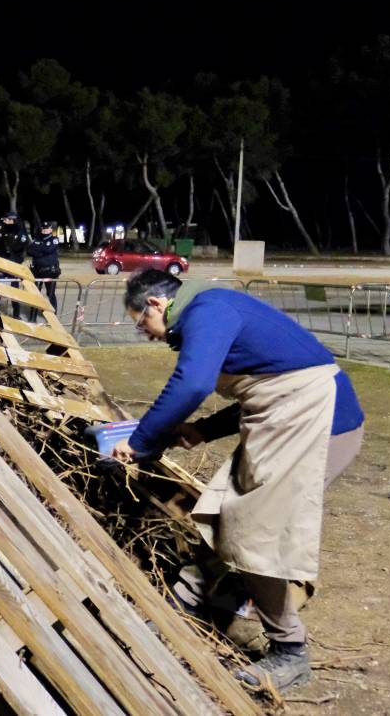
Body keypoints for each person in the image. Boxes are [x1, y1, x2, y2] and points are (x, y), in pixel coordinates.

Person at [111, 270, 365, 691]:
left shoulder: (208, 309)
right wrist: (205, 430)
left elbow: (192, 383)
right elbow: (271, 385)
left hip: (319, 427)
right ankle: (185, 602)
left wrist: (139, 442)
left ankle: (290, 652)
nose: (148, 335)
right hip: (287, 421)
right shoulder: (214, 309)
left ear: (156, 304)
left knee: (255, 535)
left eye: (142, 324)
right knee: (226, 508)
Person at [0, 212, 30, 316]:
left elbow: (20, 246)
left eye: (7, 220)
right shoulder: (2, 231)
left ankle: (16, 314)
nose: (5, 222)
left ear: (13, 220)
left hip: (14, 264)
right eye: (4, 220)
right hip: (2, 264)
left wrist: (8, 243)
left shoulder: (20, 232)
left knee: (15, 290)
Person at [26, 221, 62, 322]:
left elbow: (49, 250)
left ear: (51, 229)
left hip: (50, 271)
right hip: (36, 270)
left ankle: (53, 316)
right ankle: (32, 317)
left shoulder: (54, 239)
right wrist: (42, 249)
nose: (45, 230)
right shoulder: (37, 238)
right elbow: (29, 250)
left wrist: (38, 249)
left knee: (50, 293)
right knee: (35, 294)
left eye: (47, 228)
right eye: (43, 228)